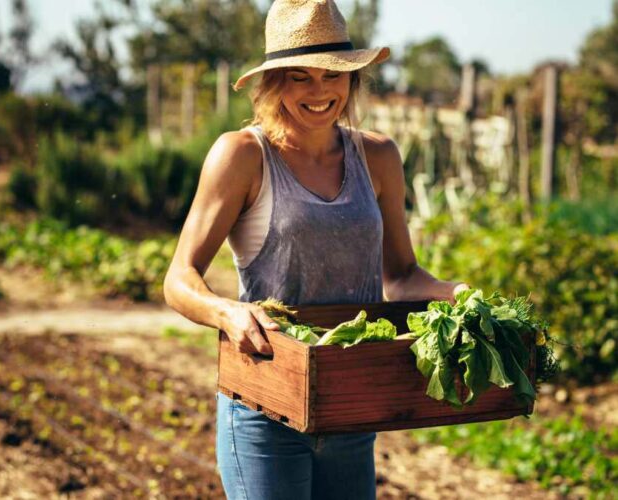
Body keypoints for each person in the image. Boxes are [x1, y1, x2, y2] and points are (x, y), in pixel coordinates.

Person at [163, 1, 469, 498]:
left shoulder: (379, 156)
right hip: (265, 404)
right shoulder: (243, 155)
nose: (320, 91)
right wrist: (227, 313)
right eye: (300, 77)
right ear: (274, 82)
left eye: (333, 74)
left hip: (349, 401)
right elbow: (179, 279)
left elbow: (402, 275)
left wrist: (459, 294)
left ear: (353, 78)